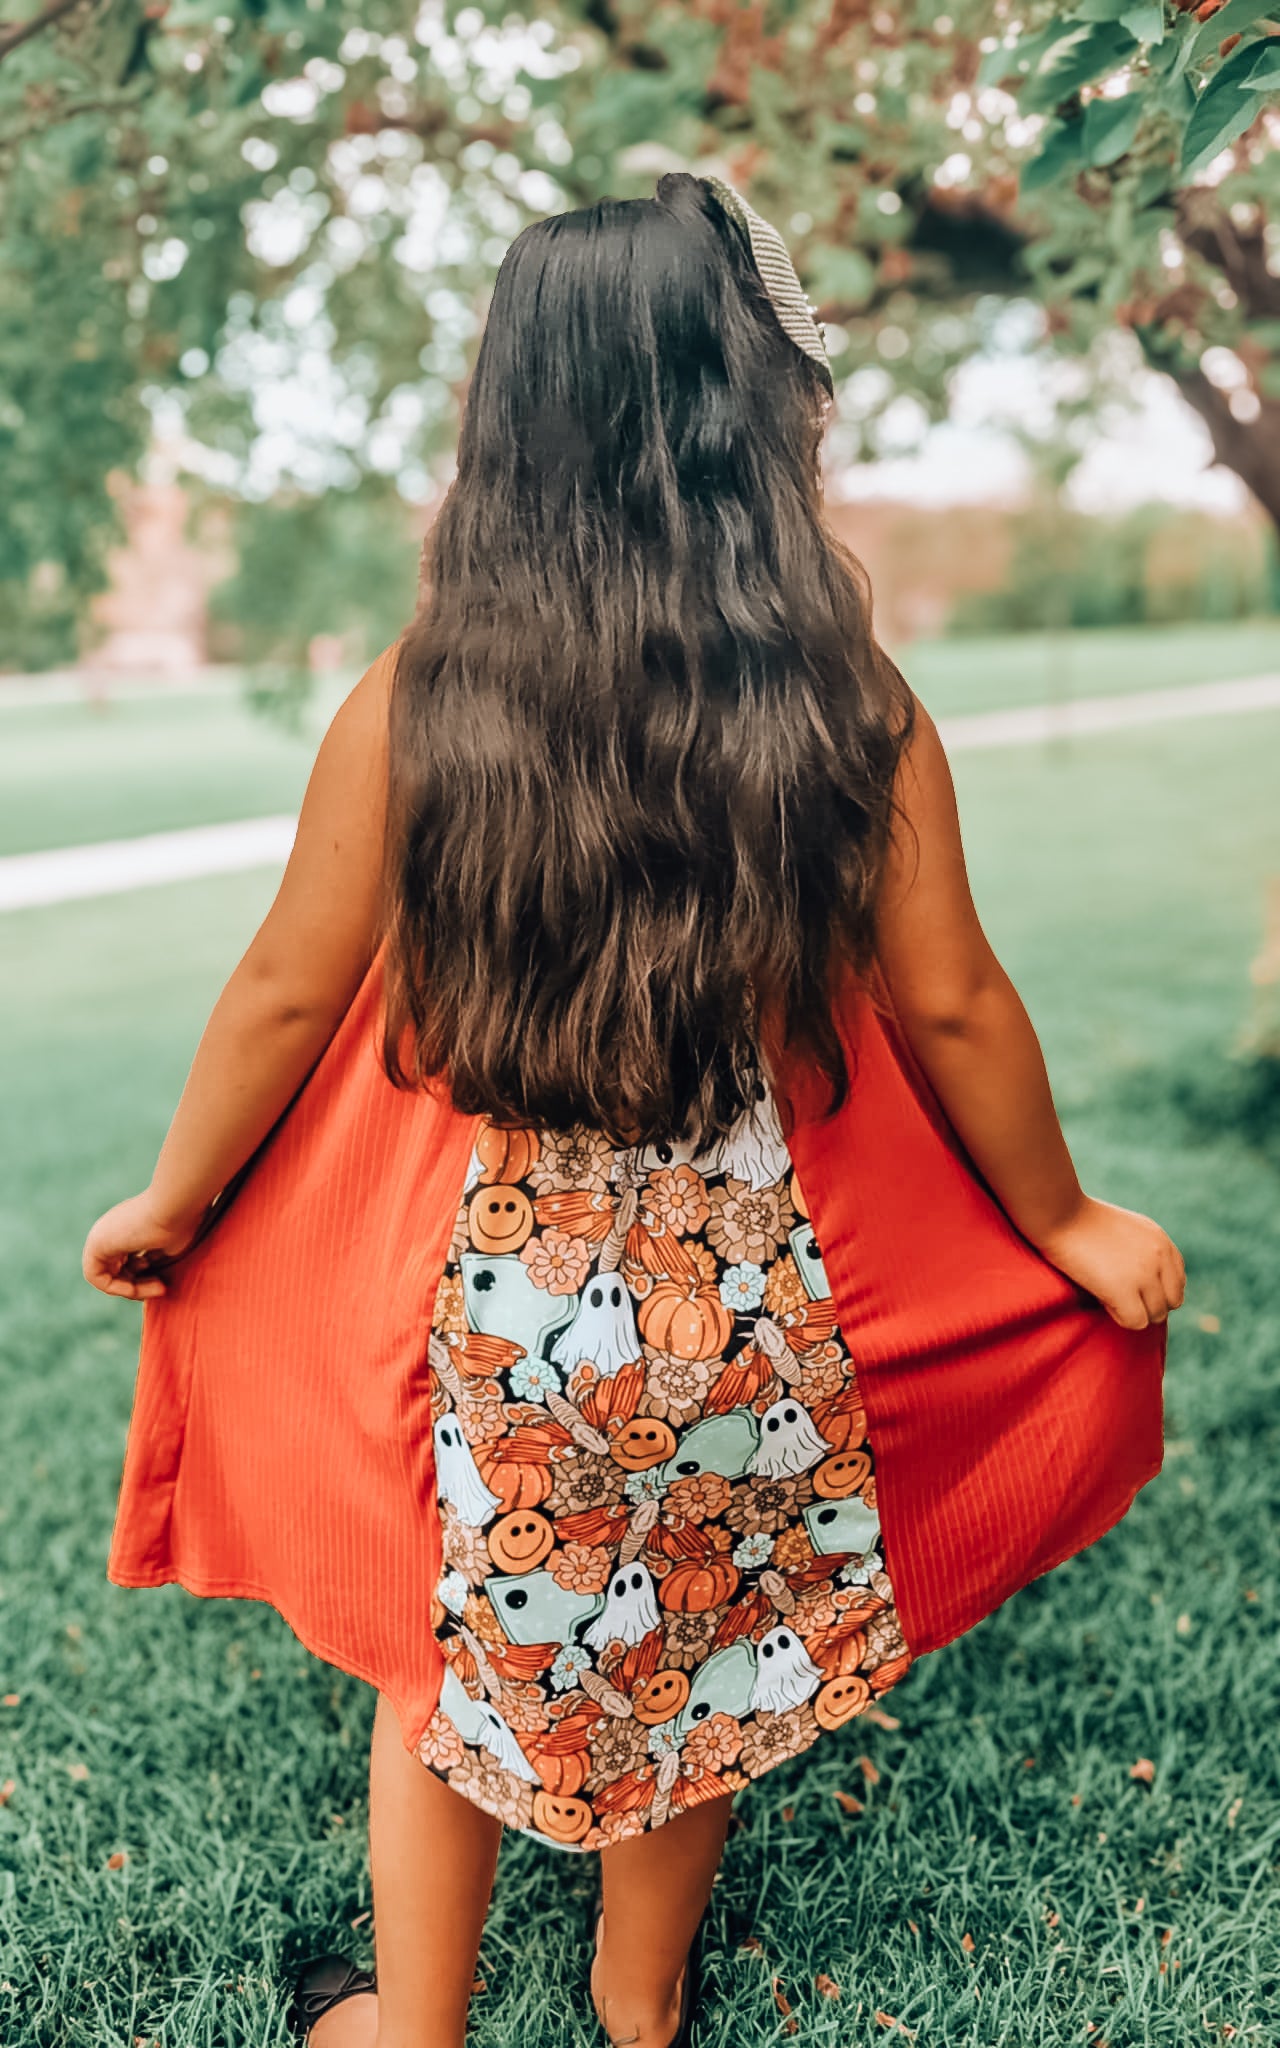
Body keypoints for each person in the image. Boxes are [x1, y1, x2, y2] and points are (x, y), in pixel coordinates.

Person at [83, 173, 1185, 2048]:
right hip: (758, 1318)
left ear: (511, 421)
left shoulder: (417, 704)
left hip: (508, 1320)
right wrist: (1070, 1222)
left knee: (449, 1670)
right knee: (707, 1654)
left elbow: (282, 989)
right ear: (744, 410)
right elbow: (952, 999)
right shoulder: (845, 699)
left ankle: (412, 2025)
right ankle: (635, 2006)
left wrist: (175, 1201)